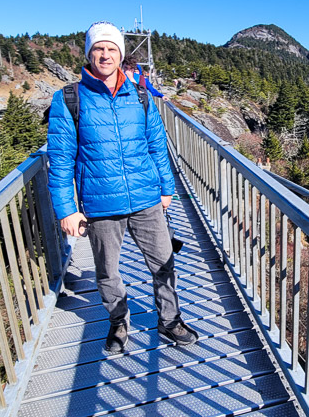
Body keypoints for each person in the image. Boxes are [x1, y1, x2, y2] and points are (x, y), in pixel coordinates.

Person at [47, 21, 198, 352]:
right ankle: (118, 323)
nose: (105, 54)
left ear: (121, 53)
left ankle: (170, 321)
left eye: (111, 48)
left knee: (164, 263)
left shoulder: (140, 95)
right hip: (101, 204)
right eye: (98, 48)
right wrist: (67, 209)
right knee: (107, 272)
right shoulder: (69, 99)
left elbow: (157, 144)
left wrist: (166, 187)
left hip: (146, 198)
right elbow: (60, 160)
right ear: (88, 54)